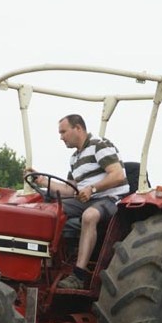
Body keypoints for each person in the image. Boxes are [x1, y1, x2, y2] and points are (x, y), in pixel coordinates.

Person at [26, 114, 129, 289]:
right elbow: (70, 190)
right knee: (48, 212)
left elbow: (118, 175)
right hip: (86, 199)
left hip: (111, 198)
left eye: (63, 132)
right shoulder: (74, 158)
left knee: (89, 216)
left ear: (78, 128)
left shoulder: (99, 145)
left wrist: (92, 189)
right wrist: (42, 181)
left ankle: (78, 276)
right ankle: (46, 264)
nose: (61, 137)